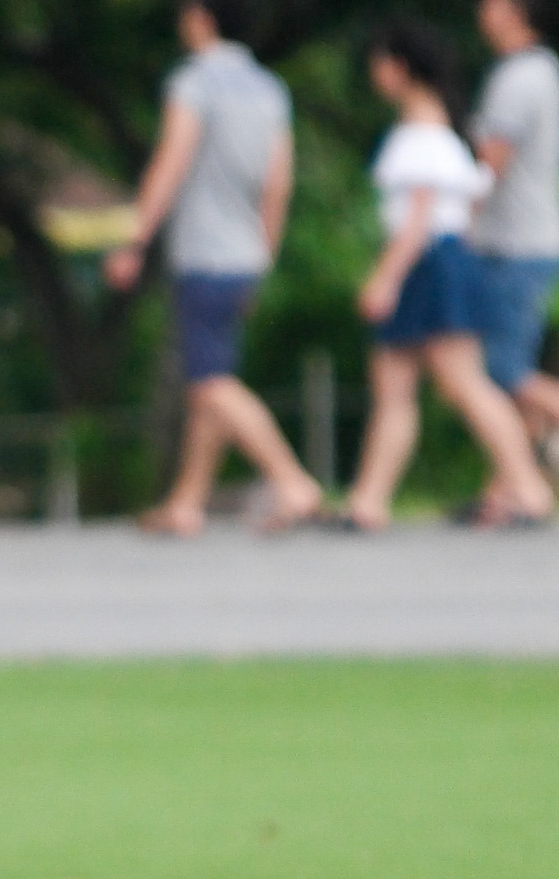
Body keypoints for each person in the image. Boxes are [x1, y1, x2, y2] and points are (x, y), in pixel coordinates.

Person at [104, 1, 322, 534]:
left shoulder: (194, 83)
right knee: (212, 375)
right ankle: (187, 502)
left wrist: (135, 239)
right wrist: (264, 255)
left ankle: (292, 481)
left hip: (204, 251)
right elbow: (279, 182)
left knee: (208, 382)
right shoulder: (270, 90)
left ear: (203, 19)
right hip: (246, 252)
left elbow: (172, 160)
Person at [343, 19, 555, 529]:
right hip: (442, 262)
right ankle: (368, 500)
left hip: (431, 264)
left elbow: (418, 219)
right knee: (397, 384)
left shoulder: (423, 135)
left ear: (398, 69)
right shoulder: (439, 132)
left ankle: (526, 489)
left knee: (463, 383)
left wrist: (384, 278)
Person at [470, 0, 559, 481]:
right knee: (507, 372)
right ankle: (511, 491)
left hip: (513, 244)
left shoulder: (518, 77)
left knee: (500, 369)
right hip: (531, 240)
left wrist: (457, 222)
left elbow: (491, 165)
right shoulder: (542, 71)